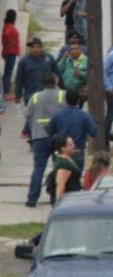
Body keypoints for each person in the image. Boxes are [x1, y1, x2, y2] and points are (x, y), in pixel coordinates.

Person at [24, 70, 63, 207]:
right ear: (56, 81)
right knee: (58, 168)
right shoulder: (62, 95)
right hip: (58, 139)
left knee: (38, 169)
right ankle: (55, 199)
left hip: (39, 137)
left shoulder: (35, 97)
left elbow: (27, 115)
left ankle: (32, 199)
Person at [48, 133, 82, 204]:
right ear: (62, 148)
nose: (74, 146)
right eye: (70, 145)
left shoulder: (68, 159)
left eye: (73, 143)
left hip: (73, 197)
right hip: (67, 200)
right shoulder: (63, 164)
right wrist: (59, 203)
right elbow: (60, 184)